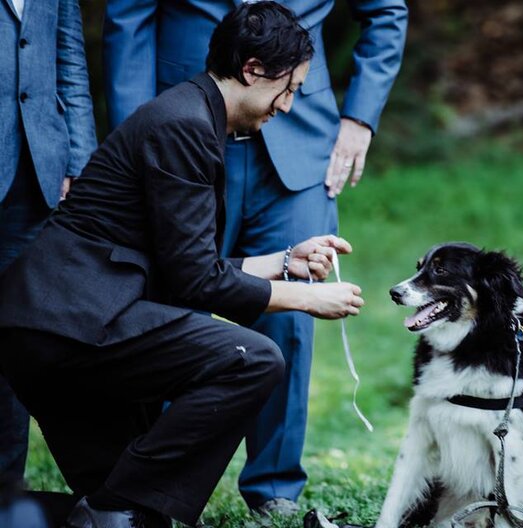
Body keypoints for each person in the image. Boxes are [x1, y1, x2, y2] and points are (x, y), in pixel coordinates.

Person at [0, 3, 365, 527]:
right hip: (67, 325)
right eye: (289, 88)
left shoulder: (191, 114)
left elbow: (184, 263)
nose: (288, 106)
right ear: (253, 69)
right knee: (251, 358)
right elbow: (198, 283)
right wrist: (307, 298)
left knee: (132, 511)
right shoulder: (184, 125)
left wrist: (286, 261)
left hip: (48, 328)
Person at [102, 0, 408, 518]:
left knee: (294, 312)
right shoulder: (169, 128)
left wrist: (360, 116)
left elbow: (387, 10)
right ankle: (154, 484)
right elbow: (128, 16)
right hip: (188, 119)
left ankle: (274, 488)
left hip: (302, 140)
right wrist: (138, 127)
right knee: (173, 304)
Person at [0, 0, 97, 486]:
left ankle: (7, 489)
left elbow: (70, 60)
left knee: (19, 335)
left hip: (38, 171)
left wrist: (80, 159)